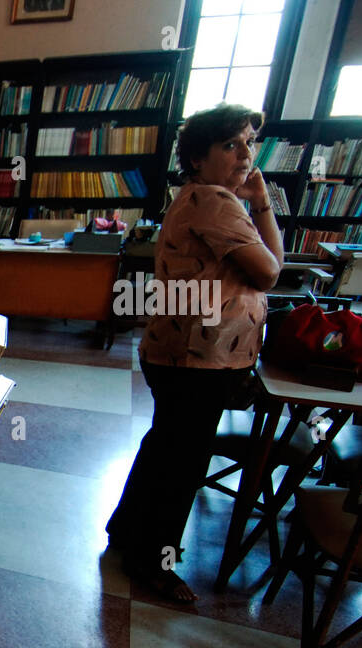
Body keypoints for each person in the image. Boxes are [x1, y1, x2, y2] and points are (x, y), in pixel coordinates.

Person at [107, 103, 284, 602]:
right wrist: (263, 203)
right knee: (183, 462)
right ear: (199, 158)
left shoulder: (200, 196)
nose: (246, 153)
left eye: (249, 141)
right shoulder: (216, 202)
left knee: (166, 446)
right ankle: (153, 562)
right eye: (231, 144)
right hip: (198, 357)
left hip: (179, 350)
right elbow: (272, 270)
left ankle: (127, 531)